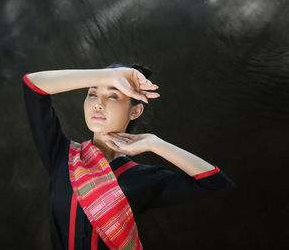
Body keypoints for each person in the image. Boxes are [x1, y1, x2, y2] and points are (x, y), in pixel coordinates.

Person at [22, 64, 234, 250]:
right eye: (92, 93)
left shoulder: (142, 177)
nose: (98, 103)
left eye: (113, 95)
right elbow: (33, 85)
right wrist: (110, 75)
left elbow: (214, 182)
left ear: (135, 111)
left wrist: (154, 143)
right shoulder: (63, 156)